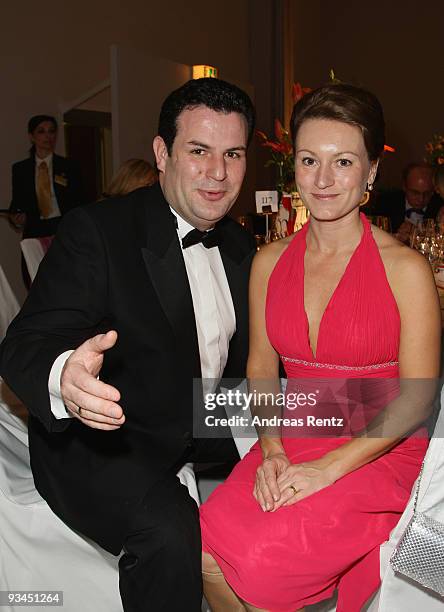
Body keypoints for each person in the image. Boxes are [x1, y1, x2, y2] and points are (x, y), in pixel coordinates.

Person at [0, 78, 256, 612]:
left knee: (316, 467)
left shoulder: (239, 242)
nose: (218, 173)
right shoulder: (97, 230)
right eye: (199, 151)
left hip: (202, 424)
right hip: (108, 442)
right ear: (162, 154)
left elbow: (237, 367)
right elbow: (26, 341)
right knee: (170, 534)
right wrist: (65, 375)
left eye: (233, 154)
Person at [200, 84, 441, 612]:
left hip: (379, 447)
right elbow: (261, 368)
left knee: (265, 570)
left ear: (371, 172)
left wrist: (328, 470)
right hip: (297, 432)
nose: (324, 180)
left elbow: (419, 399)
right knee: (202, 551)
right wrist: (272, 452)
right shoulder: (269, 263)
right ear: (293, 168)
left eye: (344, 162)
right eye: (310, 160)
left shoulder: (406, 270)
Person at [9, 114, 84, 238]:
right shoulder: (21, 169)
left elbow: (80, 200)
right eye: (41, 131)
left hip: (63, 228)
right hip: (34, 230)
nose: (48, 136)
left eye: (51, 131)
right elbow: (17, 203)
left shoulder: (69, 166)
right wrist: (16, 219)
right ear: (31, 137)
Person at [375, 163, 442, 242]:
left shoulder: (439, 206)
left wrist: (418, 235)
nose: (421, 199)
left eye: (427, 193)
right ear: (404, 187)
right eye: (415, 192)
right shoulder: (386, 202)